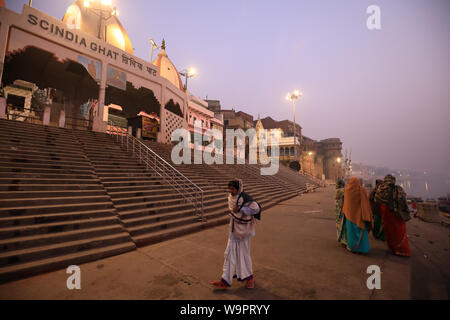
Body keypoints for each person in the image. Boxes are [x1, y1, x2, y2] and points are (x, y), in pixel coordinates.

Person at [209, 179, 260, 289]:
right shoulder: (231, 197)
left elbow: (256, 209)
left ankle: (249, 279)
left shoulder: (244, 198)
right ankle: (225, 280)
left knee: (243, 255)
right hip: (234, 230)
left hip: (244, 232)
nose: (230, 191)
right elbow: (232, 209)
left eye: (233, 188)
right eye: (230, 188)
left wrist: (241, 209)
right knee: (229, 254)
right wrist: (236, 210)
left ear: (239, 188)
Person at [375, 174, 411, 257]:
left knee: (390, 231)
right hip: (398, 214)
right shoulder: (399, 189)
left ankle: (394, 248)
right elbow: (403, 202)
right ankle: (400, 249)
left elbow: (377, 199)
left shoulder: (382, 189)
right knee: (399, 232)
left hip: (388, 213)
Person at [342, 177, 373, 254]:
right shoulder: (362, 190)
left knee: (351, 232)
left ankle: (352, 247)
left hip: (349, 215)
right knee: (361, 232)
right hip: (360, 216)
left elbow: (345, 203)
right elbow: (366, 203)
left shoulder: (347, 190)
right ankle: (362, 249)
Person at [335, 178, 347, 247]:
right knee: (343, 225)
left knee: (338, 226)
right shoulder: (342, 190)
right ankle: (344, 240)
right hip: (341, 211)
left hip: (336, 211)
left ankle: (339, 238)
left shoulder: (336, 190)